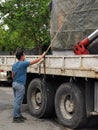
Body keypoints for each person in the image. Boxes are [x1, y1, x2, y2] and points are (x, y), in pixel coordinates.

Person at [12, 50, 46, 123]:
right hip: (20, 85)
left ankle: (18, 115)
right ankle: (16, 117)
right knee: (18, 102)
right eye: (24, 55)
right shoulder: (23, 64)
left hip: (14, 83)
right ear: (21, 56)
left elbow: (13, 75)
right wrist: (42, 55)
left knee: (16, 101)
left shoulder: (14, 65)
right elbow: (35, 61)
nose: (25, 56)